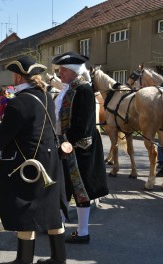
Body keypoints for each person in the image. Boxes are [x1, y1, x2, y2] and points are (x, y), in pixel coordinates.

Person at [0, 56, 68, 264]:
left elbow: (3, 137)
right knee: (51, 209)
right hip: (50, 161)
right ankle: (59, 259)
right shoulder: (45, 97)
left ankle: (24, 261)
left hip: (29, 165)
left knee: (26, 208)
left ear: (17, 77)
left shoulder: (19, 103)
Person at [52, 51, 109, 244]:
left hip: (79, 148)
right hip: (68, 145)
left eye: (63, 70)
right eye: (60, 70)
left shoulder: (83, 89)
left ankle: (83, 232)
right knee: (64, 186)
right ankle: (57, 226)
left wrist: (65, 141)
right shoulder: (69, 88)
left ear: (73, 71)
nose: (60, 74)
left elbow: (83, 125)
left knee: (80, 189)